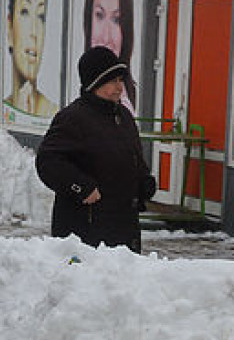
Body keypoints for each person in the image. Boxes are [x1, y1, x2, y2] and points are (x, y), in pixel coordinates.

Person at [35, 46, 156, 253]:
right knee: (89, 284)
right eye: (113, 81)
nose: (120, 88)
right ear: (95, 83)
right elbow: (48, 162)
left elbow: (132, 156)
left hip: (123, 227)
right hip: (86, 230)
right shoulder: (73, 118)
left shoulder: (123, 116)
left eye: (121, 80)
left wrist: (143, 181)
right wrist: (80, 186)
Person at [81, 0, 136, 111]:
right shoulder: (73, 116)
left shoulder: (124, 107)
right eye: (99, 15)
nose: (106, 36)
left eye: (117, 20)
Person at [5, 0, 57, 117]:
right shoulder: (4, 109)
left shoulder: (53, 113)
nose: (34, 31)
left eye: (41, 16)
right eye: (25, 12)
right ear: (9, 27)